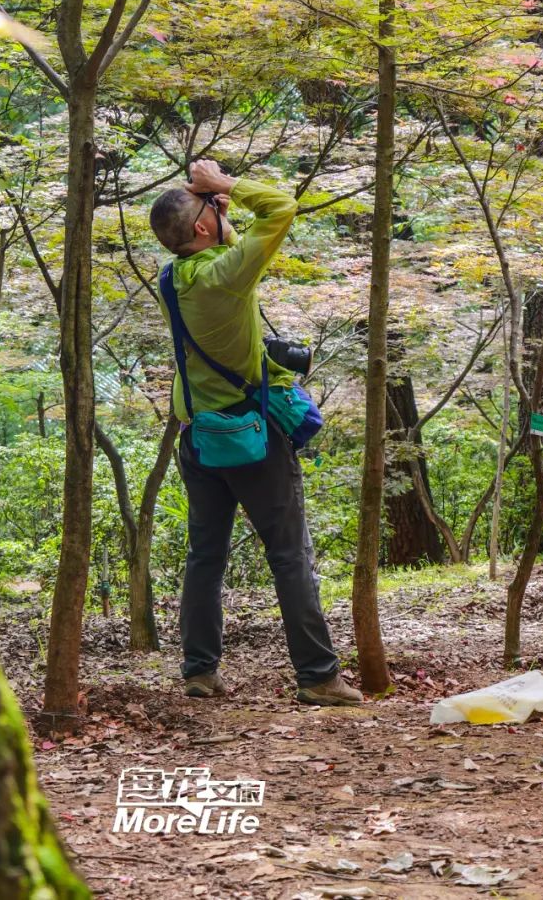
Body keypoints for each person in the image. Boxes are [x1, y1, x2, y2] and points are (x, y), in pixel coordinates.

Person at [149, 158, 362, 707]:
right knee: (289, 554)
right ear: (201, 228)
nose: (218, 208)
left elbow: (232, 247)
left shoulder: (176, 275)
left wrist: (216, 209)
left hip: (198, 436)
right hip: (252, 440)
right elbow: (282, 208)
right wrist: (229, 185)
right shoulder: (224, 276)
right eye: (209, 209)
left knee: (205, 555)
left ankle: (199, 670)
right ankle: (317, 675)